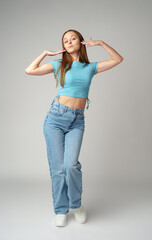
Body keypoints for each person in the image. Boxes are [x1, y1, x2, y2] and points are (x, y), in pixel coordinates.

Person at [25, 29, 124, 227]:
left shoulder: (90, 67)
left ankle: (76, 205)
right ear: (63, 46)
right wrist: (45, 53)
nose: (69, 41)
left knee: (71, 165)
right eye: (65, 40)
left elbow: (118, 59)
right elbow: (30, 70)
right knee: (58, 168)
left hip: (77, 121)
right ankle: (61, 210)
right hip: (55, 119)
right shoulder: (59, 65)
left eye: (73, 38)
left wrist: (101, 43)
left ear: (81, 41)